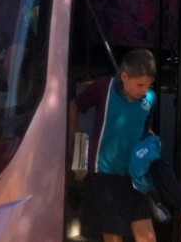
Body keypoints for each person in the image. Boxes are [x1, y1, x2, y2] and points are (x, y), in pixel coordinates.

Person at [68, 48, 159, 242]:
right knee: (114, 236)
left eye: (148, 85)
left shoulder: (150, 99)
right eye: (139, 84)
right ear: (124, 76)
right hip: (103, 173)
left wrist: (153, 144)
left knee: (148, 237)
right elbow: (74, 106)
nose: (144, 91)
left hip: (133, 176)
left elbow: (144, 130)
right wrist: (71, 143)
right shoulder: (103, 88)